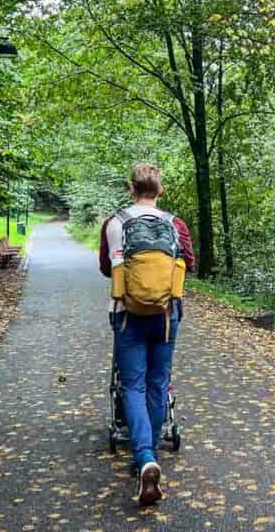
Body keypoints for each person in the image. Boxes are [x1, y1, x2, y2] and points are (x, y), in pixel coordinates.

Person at [98, 163, 195, 506]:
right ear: (161, 190)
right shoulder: (175, 224)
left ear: (131, 189)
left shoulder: (115, 223)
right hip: (167, 316)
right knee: (157, 384)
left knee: (133, 386)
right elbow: (190, 264)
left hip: (127, 314)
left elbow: (106, 268)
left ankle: (144, 457)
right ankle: (148, 453)